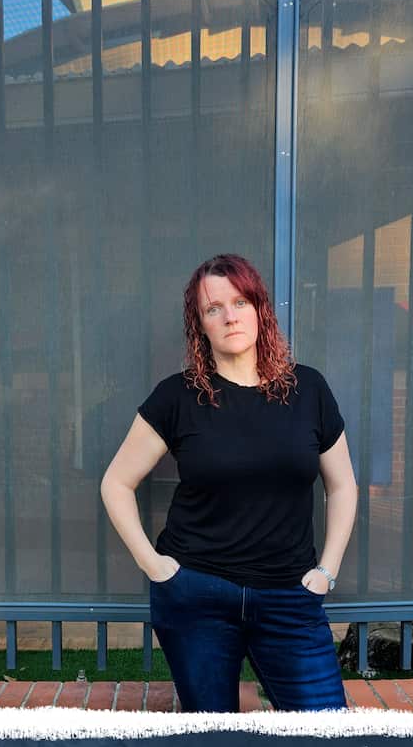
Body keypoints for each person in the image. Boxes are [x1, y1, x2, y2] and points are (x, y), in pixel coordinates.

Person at [100, 253, 358, 712]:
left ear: (260, 309)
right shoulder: (177, 397)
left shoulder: (309, 390)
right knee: (212, 737)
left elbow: (342, 486)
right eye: (213, 308)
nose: (229, 317)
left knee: (325, 735)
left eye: (240, 302)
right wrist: (154, 566)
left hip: (289, 596)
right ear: (200, 324)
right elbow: (116, 483)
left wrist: (327, 571)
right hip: (197, 595)